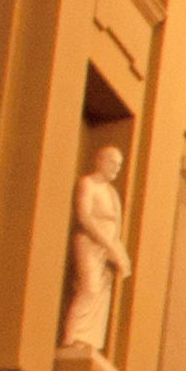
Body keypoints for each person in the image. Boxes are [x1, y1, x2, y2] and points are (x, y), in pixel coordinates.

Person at [59, 146, 131, 354]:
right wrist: (107, 243)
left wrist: (119, 253)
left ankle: (87, 341)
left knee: (101, 293)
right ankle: (72, 337)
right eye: (112, 163)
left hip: (106, 249)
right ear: (100, 160)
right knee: (89, 287)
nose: (116, 169)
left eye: (118, 166)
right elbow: (84, 216)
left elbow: (115, 229)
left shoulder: (112, 193)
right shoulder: (88, 184)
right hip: (90, 242)